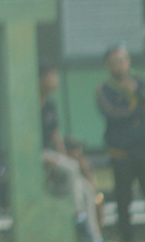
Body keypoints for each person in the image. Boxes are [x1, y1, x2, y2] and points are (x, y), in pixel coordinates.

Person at [98, 42, 145, 242]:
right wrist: (140, 109)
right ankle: (127, 237)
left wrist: (137, 94)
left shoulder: (142, 83)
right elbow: (113, 115)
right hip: (121, 153)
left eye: (123, 60)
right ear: (107, 65)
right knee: (123, 200)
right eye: (115, 62)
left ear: (128, 61)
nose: (120, 65)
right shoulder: (104, 89)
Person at [40, 62, 105, 242]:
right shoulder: (30, 103)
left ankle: (93, 235)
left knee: (85, 188)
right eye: (52, 75)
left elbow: (56, 135)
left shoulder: (50, 105)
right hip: (35, 155)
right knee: (71, 168)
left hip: (52, 155)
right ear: (41, 78)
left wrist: (62, 155)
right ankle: (78, 216)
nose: (56, 80)